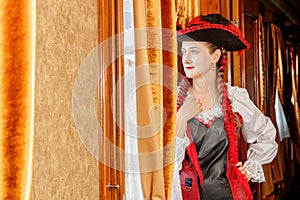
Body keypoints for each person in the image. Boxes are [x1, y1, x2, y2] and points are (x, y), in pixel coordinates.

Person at [172, 14, 278, 200]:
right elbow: (161, 162)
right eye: (184, 51)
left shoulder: (236, 98)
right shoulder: (173, 100)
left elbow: (266, 135)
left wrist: (250, 167)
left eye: (195, 51)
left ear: (215, 56)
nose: (186, 59)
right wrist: (182, 117)